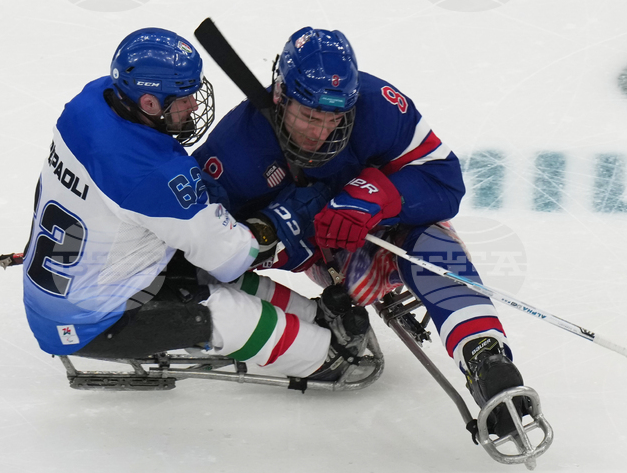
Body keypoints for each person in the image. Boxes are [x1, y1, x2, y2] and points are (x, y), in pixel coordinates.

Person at [193, 26, 533, 436]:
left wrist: (372, 196)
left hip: (378, 228)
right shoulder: (236, 148)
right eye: (309, 117)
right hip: (312, 250)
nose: (320, 133)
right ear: (280, 94)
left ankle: (486, 357)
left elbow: (445, 182)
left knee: (431, 243)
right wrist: (274, 229)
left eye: (334, 118)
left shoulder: (379, 106)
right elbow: (203, 242)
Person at [21, 27, 371, 381]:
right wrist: (283, 218)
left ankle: (310, 318)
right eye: (182, 97)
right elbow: (231, 259)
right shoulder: (156, 174)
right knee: (221, 307)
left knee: (193, 266)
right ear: (149, 103)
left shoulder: (89, 102)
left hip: (78, 284)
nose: (193, 104)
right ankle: (323, 358)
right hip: (90, 321)